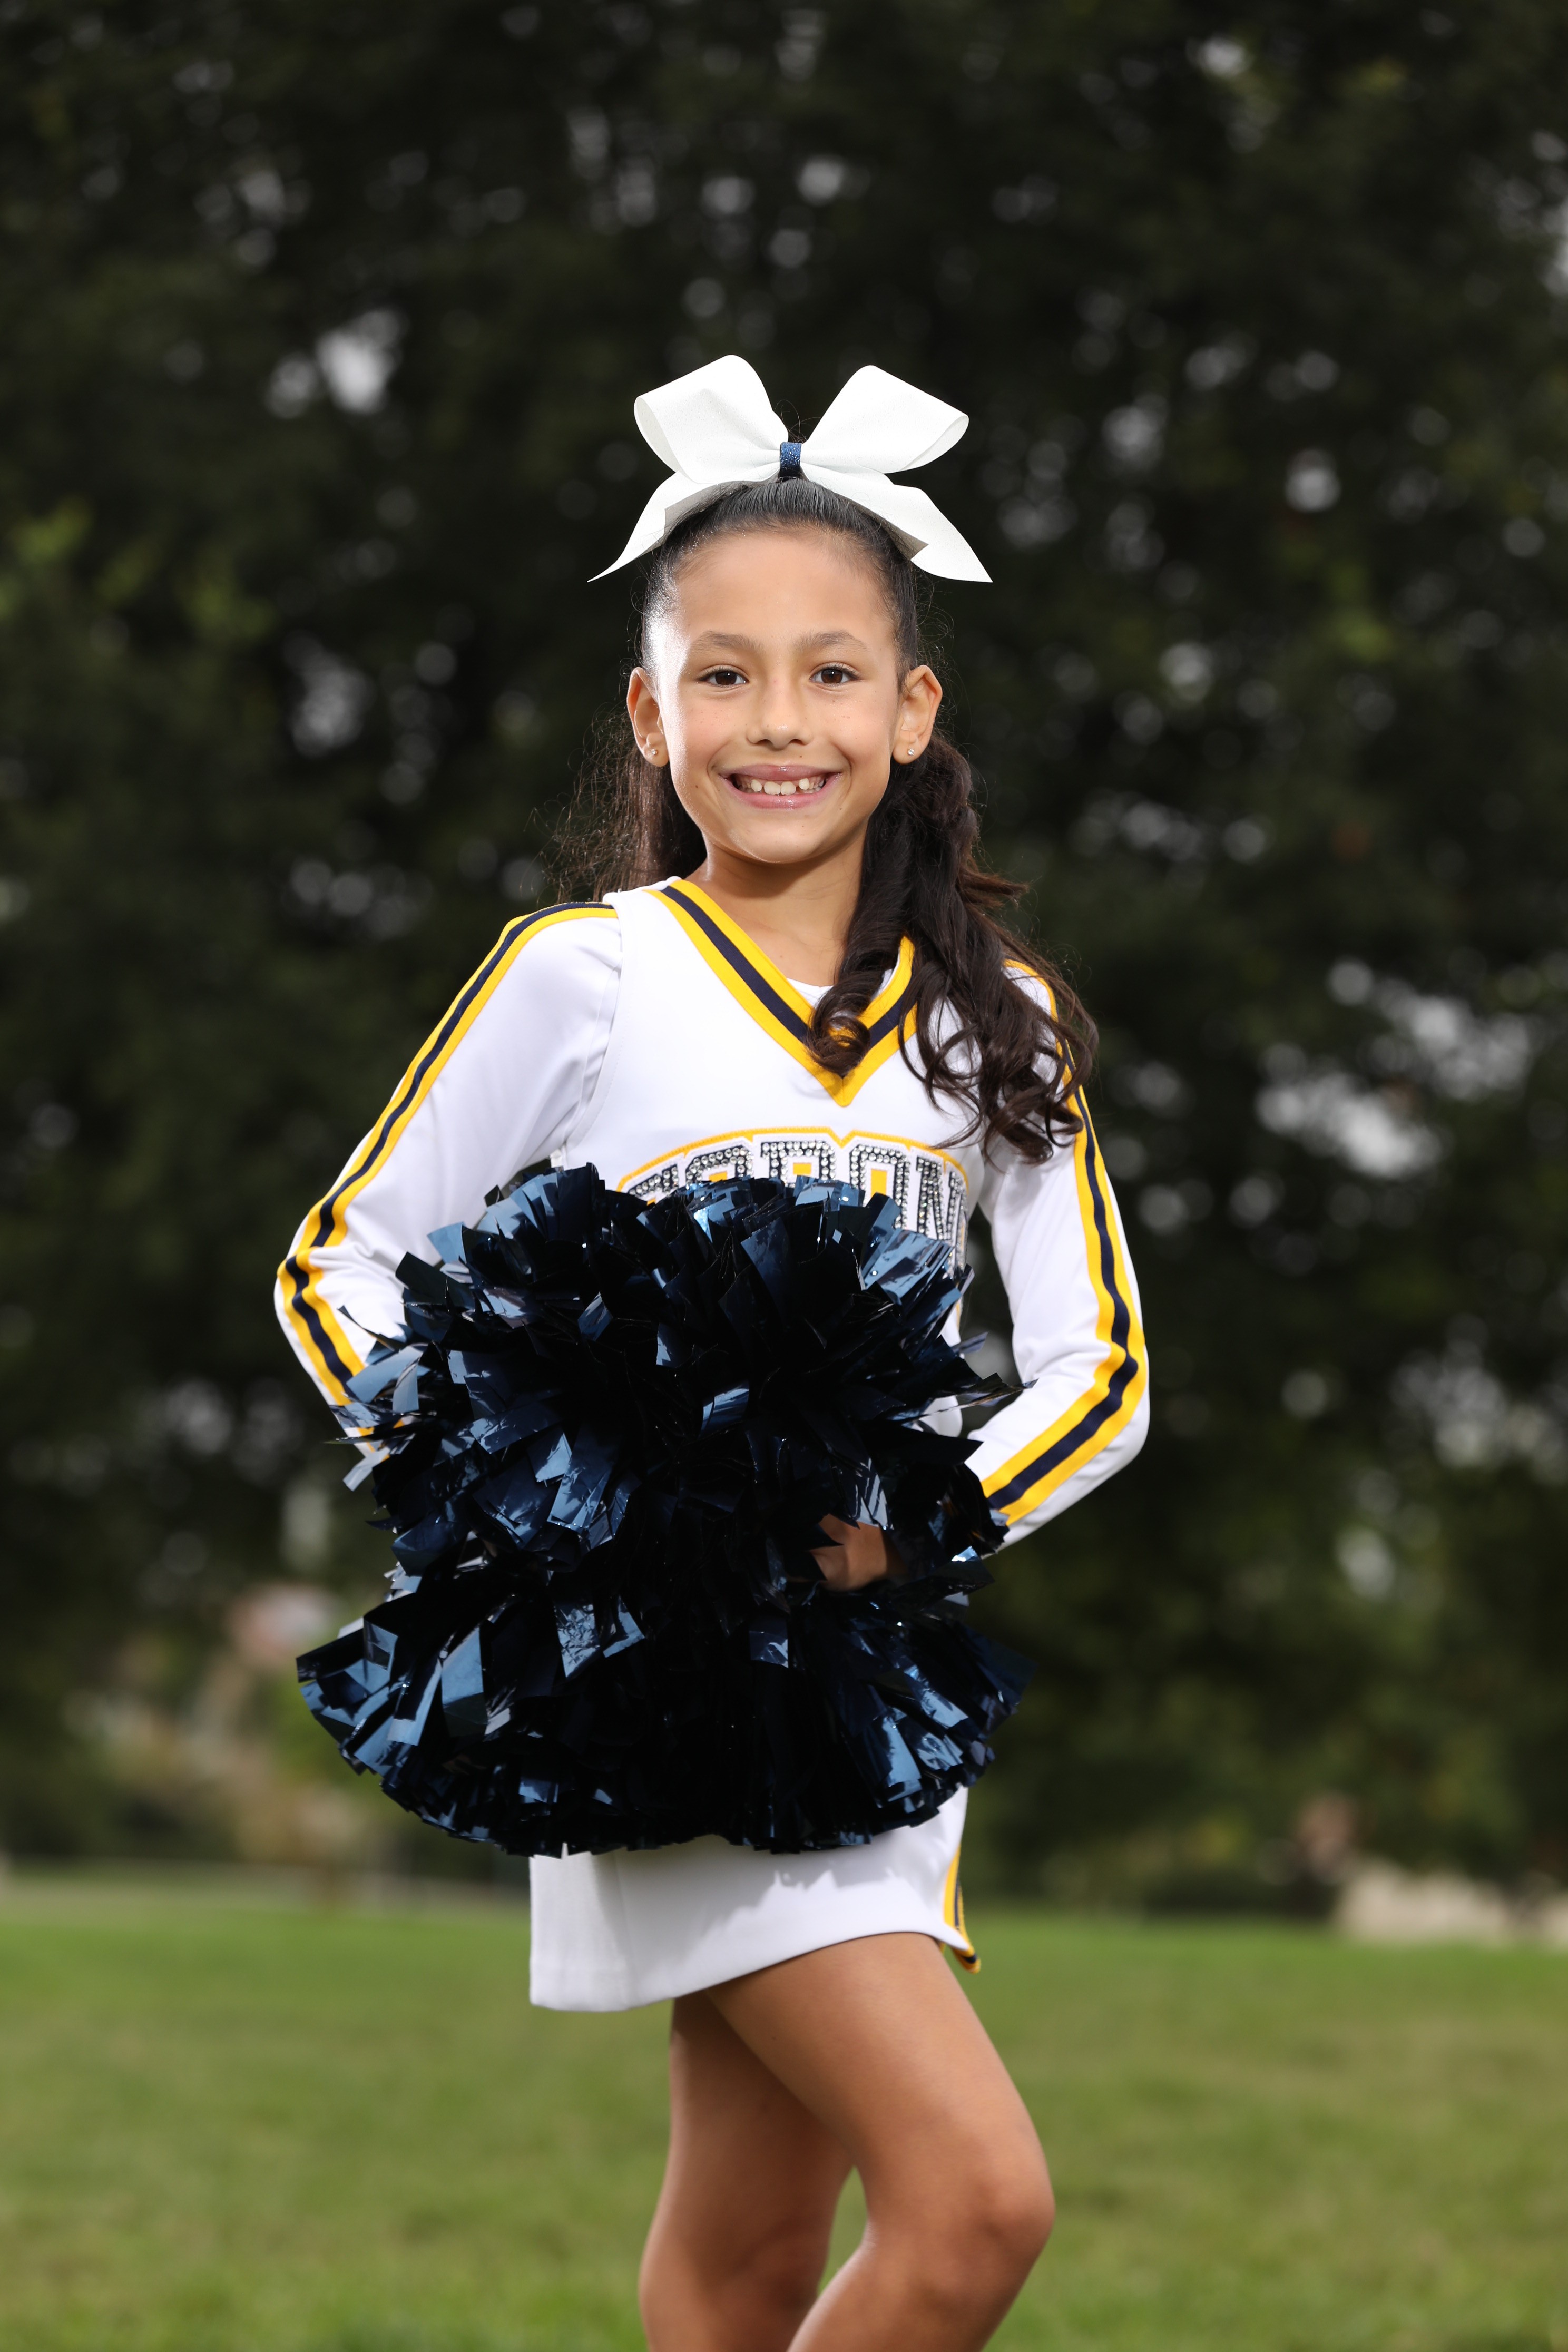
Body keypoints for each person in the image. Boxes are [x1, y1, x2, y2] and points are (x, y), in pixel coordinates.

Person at [276, 355, 1148, 2352]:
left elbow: (1099, 1367)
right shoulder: (582, 971)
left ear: (912, 712)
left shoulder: (994, 1018)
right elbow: (345, 1262)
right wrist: (529, 1509)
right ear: (651, 714)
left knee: (751, 2259)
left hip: (872, 1691)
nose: (779, 721)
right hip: (658, 1680)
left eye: (834, 674)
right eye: (725, 674)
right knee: (977, 2208)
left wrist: (913, 1526)